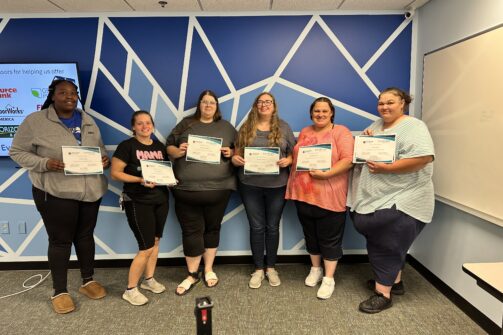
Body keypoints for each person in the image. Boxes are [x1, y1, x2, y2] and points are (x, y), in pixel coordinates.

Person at [9, 79, 109, 314]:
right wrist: (45, 163)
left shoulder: (87, 119)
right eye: (63, 92)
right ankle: (60, 291)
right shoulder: (35, 121)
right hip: (55, 192)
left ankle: (87, 281)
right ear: (52, 96)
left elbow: (99, 148)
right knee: (60, 241)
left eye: (73, 93)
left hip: (90, 191)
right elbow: (17, 151)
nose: (70, 96)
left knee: (85, 237)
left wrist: (103, 159)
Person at [347, 87, 435, 313]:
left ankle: (382, 294)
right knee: (389, 243)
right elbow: (368, 154)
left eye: (390, 102)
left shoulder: (414, 127)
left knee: (388, 242)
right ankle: (394, 283)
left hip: (402, 198)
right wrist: (364, 145)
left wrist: (389, 168)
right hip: (376, 198)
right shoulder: (376, 126)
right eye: (381, 103)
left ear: (402, 103)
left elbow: (423, 157)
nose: (384, 107)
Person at [166, 90, 236, 295]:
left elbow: (238, 151)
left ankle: (208, 269)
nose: (208, 105)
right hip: (186, 189)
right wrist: (178, 151)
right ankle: (192, 274)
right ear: (199, 105)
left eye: (212, 102)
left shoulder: (227, 127)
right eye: (204, 102)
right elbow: (168, 146)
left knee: (212, 229)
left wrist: (231, 152)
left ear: (217, 106)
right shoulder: (186, 124)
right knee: (191, 231)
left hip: (219, 190)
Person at [285, 97, 354, 300]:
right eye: (316, 111)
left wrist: (327, 174)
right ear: (311, 113)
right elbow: (298, 157)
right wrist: (288, 159)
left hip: (330, 195)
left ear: (331, 112)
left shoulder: (341, 132)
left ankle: (329, 278)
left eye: (324, 111)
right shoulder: (306, 131)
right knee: (311, 235)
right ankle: (316, 269)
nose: (320, 114)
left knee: (330, 239)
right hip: (303, 194)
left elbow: (348, 160)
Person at [231, 92, 295, 289]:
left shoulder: (284, 127)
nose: (264, 104)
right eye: (261, 102)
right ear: (256, 106)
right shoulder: (246, 127)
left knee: (272, 227)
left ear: (274, 106)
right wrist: (235, 159)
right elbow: (236, 154)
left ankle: (271, 267)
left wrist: (288, 160)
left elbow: (293, 154)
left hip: (277, 185)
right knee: (257, 227)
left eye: (268, 102)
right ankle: (258, 268)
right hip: (250, 184)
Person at [111, 110, 170, 306]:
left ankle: (149, 280)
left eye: (148, 123)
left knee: (155, 241)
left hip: (161, 200)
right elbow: (115, 173)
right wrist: (139, 179)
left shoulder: (160, 147)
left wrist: (168, 180)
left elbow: (162, 172)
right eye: (140, 123)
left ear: (153, 125)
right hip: (137, 201)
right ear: (133, 127)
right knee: (145, 248)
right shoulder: (126, 146)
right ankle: (130, 289)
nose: (145, 126)